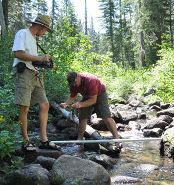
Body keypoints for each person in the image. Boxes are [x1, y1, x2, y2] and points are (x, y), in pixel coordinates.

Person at [12, 15, 60, 152]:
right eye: (45, 30)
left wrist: (46, 63)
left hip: (34, 73)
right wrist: (40, 57)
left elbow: (32, 60)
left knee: (44, 104)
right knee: (24, 107)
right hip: (23, 73)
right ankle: (25, 140)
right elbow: (18, 53)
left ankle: (43, 139)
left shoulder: (33, 39)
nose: (45, 33)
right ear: (41, 27)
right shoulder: (22, 33)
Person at [60, 71, 122, 150]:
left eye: (75, 82)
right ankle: (80, 141)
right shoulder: (73, 84)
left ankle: (117, 140)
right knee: (82, 117)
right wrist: (66, 104)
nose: (74, 85)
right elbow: (72, 96)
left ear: (78, 76)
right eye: (72, 84)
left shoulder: (90, 80)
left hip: (100, 94)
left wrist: (80, 104)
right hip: (87, 96)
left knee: (106, 117)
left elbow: (93, 100)